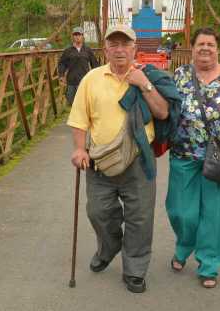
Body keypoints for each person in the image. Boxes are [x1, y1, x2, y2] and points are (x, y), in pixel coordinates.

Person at [67, 24, 181, 293]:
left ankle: (135, 270)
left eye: (125, 44)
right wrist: (80, 149)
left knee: (140, 218)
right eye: (114, 44)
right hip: (100, 162)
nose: (119, 50)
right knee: (98, 212)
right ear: (105, 49)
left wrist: (145, 86)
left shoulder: (147, 76)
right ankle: (109, 247)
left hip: (139, 162)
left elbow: (163, 113)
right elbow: (79, 119)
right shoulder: (91, 79)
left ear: (134, 49)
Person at [166, 27, 220, 289]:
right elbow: (164, 104)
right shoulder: (179, 75)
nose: (205, 48)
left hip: (219, 153)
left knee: (213, 214)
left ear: (217, 49)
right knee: (181, 212)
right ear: (192, 48)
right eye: (200, 44)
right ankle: (185, 243)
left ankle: (209, 264)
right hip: (183, 152)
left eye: (210, 45)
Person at [58, 26, 99, 105]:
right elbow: (62, 63)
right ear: (72, 36)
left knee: (84, 103)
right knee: (71, 102)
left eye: (79, 35)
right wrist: (61, 75)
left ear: (82, 36)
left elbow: (94, 63)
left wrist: (97, 76)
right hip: (71, 81)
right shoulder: (68, 50)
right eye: (75, 35)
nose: (77, 37)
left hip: (84, 80)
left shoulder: (87, 50)